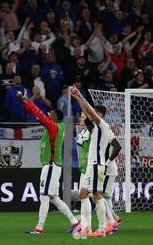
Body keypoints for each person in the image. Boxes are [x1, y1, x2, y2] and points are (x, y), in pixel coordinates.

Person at [17, 90, 79, 235]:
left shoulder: (53, 127)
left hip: (51, 166)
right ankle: (75, 223)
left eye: (50, 113)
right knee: (54, 198)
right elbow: (36, 115)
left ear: (55, 117)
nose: (48, 114)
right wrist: (25, 101)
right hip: (53, 165)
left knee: (44, 196)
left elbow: (38, 114)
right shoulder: (55, 127)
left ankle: (39, 227)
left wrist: (27, 100)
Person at [71, 86, 117, 237]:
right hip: (91, 165)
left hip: (97, 164)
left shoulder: (103, 126)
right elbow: (87, 114)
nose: (91, 116)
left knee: (97, 194)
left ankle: (104, 228)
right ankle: (87, 227)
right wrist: (78, 99)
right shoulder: (94, 129)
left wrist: (81, 96)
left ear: (100, 115)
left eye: (96, 114)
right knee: (83, 193)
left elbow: (90, 112)